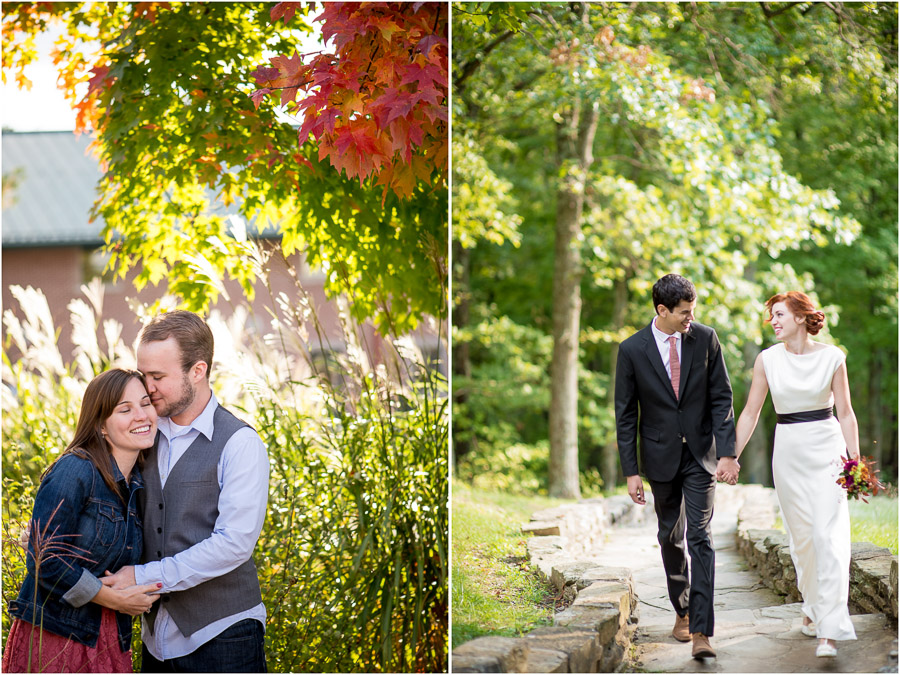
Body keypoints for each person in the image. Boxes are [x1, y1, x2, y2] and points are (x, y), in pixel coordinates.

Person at [101, 310, 269, 672]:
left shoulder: (240, 443)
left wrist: (145, 577)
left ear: (198, 370)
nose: (147, 387)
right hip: (154, 638)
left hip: (224, 635)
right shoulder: (141, 431)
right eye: (143, 374)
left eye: (158, 376)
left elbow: (234, 544)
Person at [3, 369, 163, 673]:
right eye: (125, 409)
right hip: (58, 636)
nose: (141, 416)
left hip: (108, 640)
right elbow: (44, 558)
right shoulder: (76, 469)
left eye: (145, 404)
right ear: (101, 425)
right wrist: (115, 600)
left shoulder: (138, 485)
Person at [615, 273, 738, 660]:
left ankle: (702, 630)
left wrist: (728, 453)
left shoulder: (706, 338)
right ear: (662, 310)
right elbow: (625, 414)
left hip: (701, 455)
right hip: (659, 457)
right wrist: (631, 471)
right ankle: (682, 609)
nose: (691, 318)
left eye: (693, 311)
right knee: (671, 536)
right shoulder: (632, 349)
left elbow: (722, 397)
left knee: (700, 537)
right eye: (684, 313)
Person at [732, 291, 858, 658]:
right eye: (771, 315)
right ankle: (811, 609)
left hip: (828, 451)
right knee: (802, 541)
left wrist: (855, 460)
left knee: (827, 536)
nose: (773, 321)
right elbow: (751, 413)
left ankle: (829, 632)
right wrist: (731, 458)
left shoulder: (834, 357)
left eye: (780, 314)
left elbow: (846, 413)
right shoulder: (767, 360)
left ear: (801, 317)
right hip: (788, 453)